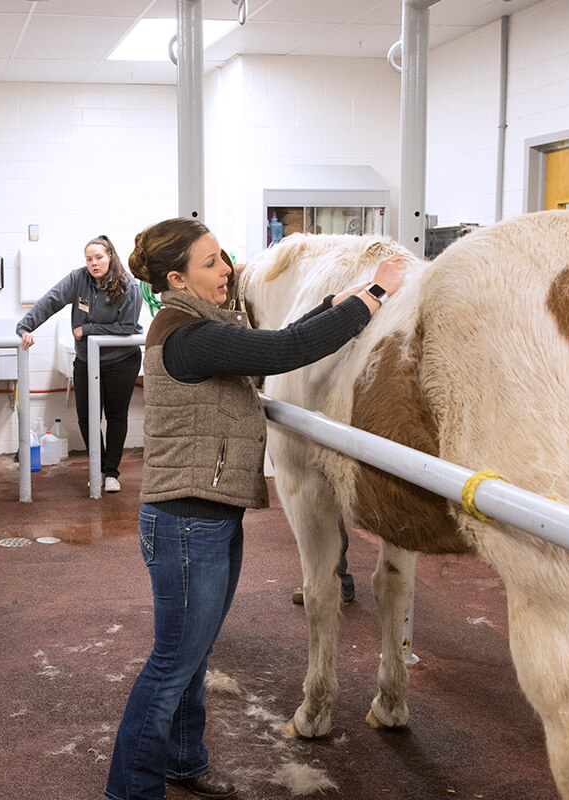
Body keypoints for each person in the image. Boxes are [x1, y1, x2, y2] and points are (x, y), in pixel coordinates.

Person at [104, 217, 405, 800]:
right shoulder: (187, 334)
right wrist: (376, 291)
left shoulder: (203, 323)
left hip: (209, 515)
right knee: (171, 664)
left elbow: (285, 333)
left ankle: (185, 760)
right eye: (212, 262)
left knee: (193, 655)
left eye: (224, 258)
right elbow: (286, 348)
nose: (228, 271)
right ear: (178, 279)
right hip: (187, 523)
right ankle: (130, 790)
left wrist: (339, 300)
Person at [17, 235, 143, 492]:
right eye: (89, 259)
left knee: (116, 416)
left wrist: (86, 329)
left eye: (99, 257)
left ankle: (111, 473)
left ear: (111, 256)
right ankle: (97, 466)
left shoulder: (130, 286)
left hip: (121, 360)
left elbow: (126, 327)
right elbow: (50, 301)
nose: (94, 264)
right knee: (86, 417)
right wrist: (25, 326)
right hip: (87, 359)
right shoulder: (79, 279)